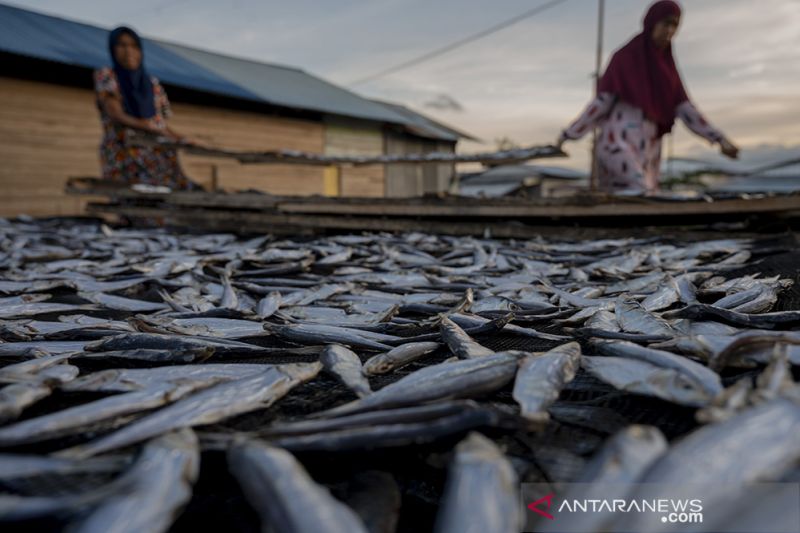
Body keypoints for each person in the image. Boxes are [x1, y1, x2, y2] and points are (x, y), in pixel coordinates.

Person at [557, 0, 739, 193]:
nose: (669, 31)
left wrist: (720, 139)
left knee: (646, 196)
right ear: (652, 23)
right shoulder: (625, 57)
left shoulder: (667, 69)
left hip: (649, 150)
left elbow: (686, 109)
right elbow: (601, 102)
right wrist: (568, 134)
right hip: (619, 144)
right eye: (665, 24)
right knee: (636, 191)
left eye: (674, 25)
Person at [94, 26, 199, 190]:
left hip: (157, 156)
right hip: (124, 155)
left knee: (174, 199)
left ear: (140, 51)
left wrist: (181, 138)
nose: (128, 51)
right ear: (113, 49)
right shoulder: (107, 75)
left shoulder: (153, 85)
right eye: (121, 45)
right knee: (134, 204)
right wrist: (147, 126)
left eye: (133, 46)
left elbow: (160, 123)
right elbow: (115, 114)